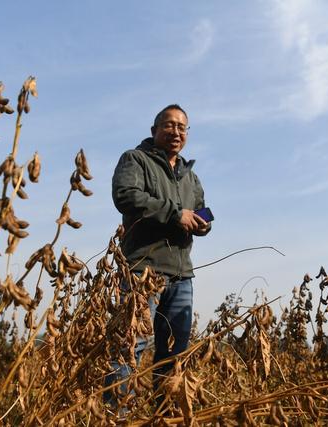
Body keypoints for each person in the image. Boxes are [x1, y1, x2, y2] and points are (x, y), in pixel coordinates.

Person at [107, 104, 211, 405]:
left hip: (181, 275)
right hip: (143, 270)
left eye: (182, 127)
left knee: (175, 355)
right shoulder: (135, 159)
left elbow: (202, 208)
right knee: (129, 347)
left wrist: (204, 224)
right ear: (154, 131)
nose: (176, 131)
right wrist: (176, 214)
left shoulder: (190, 177)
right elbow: (126, 196)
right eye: (169, 125)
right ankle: (115, 416)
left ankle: (165, 416)